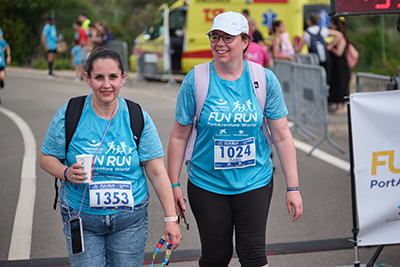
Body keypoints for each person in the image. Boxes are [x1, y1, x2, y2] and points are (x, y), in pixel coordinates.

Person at [167, 11, 303, 267]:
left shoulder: (263, 79)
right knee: (216, 256)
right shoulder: (196, 80)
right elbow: (178, 135)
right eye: (214, 37)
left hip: (255, 181)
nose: (219, 44)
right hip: (207, 183)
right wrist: (172, 184)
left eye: (227, 38)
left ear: (245, 41)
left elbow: (283, 136)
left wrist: (293, 188)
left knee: (253, 255)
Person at [39, 47, 181, 266]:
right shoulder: (71, 113)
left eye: (113, 77)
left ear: (123, 78)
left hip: (129, 220)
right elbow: (46, 158)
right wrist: (65, 172)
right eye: (99, 77)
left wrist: (171, 219)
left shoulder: (137, 116)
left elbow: (156, 171)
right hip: (82, 217)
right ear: (87, 78)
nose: (107, 85)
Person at [296, 13, 343, 85]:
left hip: (313, 61)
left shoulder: (306, 32)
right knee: (326, 81)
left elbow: (299, 49)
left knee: (315, 81)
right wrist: (331, 45)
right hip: (326, 59)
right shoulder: (323, 30)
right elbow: (339, 35)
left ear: (309, 21)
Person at [327, 17, 351, 114]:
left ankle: (344, 105)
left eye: (332, 24)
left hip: (342, 67)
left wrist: (330, 48)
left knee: (342, 85)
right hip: (336, 67)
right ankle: (338, 105)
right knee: (336, 85)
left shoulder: (341, 38)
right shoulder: (336, 38)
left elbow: (339, 53)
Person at [0, 30, 11, 103]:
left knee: (2, 77)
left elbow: (7, 46)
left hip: (1, 63)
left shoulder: (2, 41)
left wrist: (8, 56)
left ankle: (1, 82)